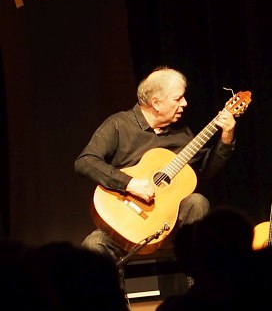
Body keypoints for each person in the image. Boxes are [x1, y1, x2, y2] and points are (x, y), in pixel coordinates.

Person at [75, 66, 239, 262]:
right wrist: (129, 183)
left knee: (197, 201)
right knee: (93, 245)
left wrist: (226, 138)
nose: (185, 103)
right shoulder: (119, 125)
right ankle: (112, 293)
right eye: (178, 99)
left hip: (168, 224)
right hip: (126, 221)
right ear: (156, 103)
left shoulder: (182, 133)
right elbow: (85, 162)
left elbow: (206, 170)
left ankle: (199, 284)